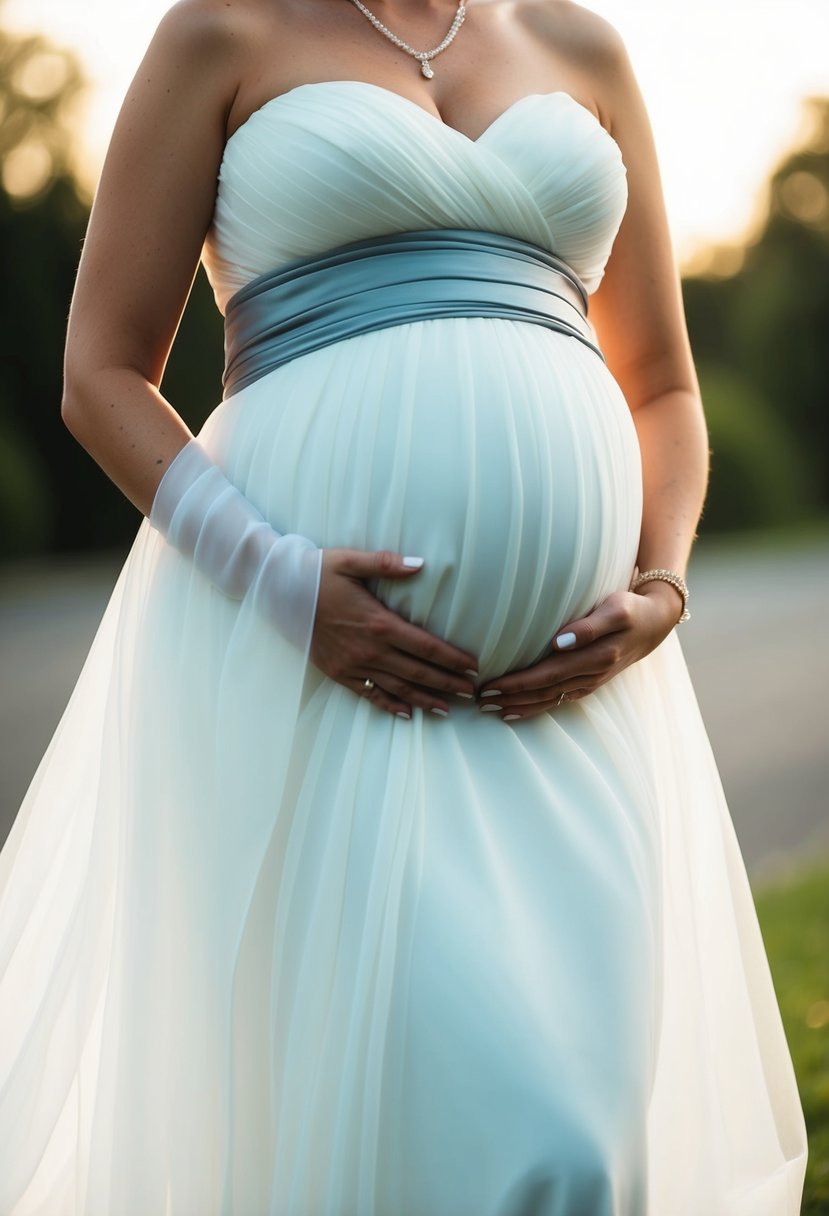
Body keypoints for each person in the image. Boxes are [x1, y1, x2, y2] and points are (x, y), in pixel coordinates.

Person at [0, 0, 808, 1211]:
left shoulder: (581, 47)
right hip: (318, 680)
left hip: (569, 709)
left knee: (577, 1141)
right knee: (404, 1128)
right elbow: (98, 371)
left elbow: (664, 387)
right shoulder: (219, 34)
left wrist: (662, 587)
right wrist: (279, 581)